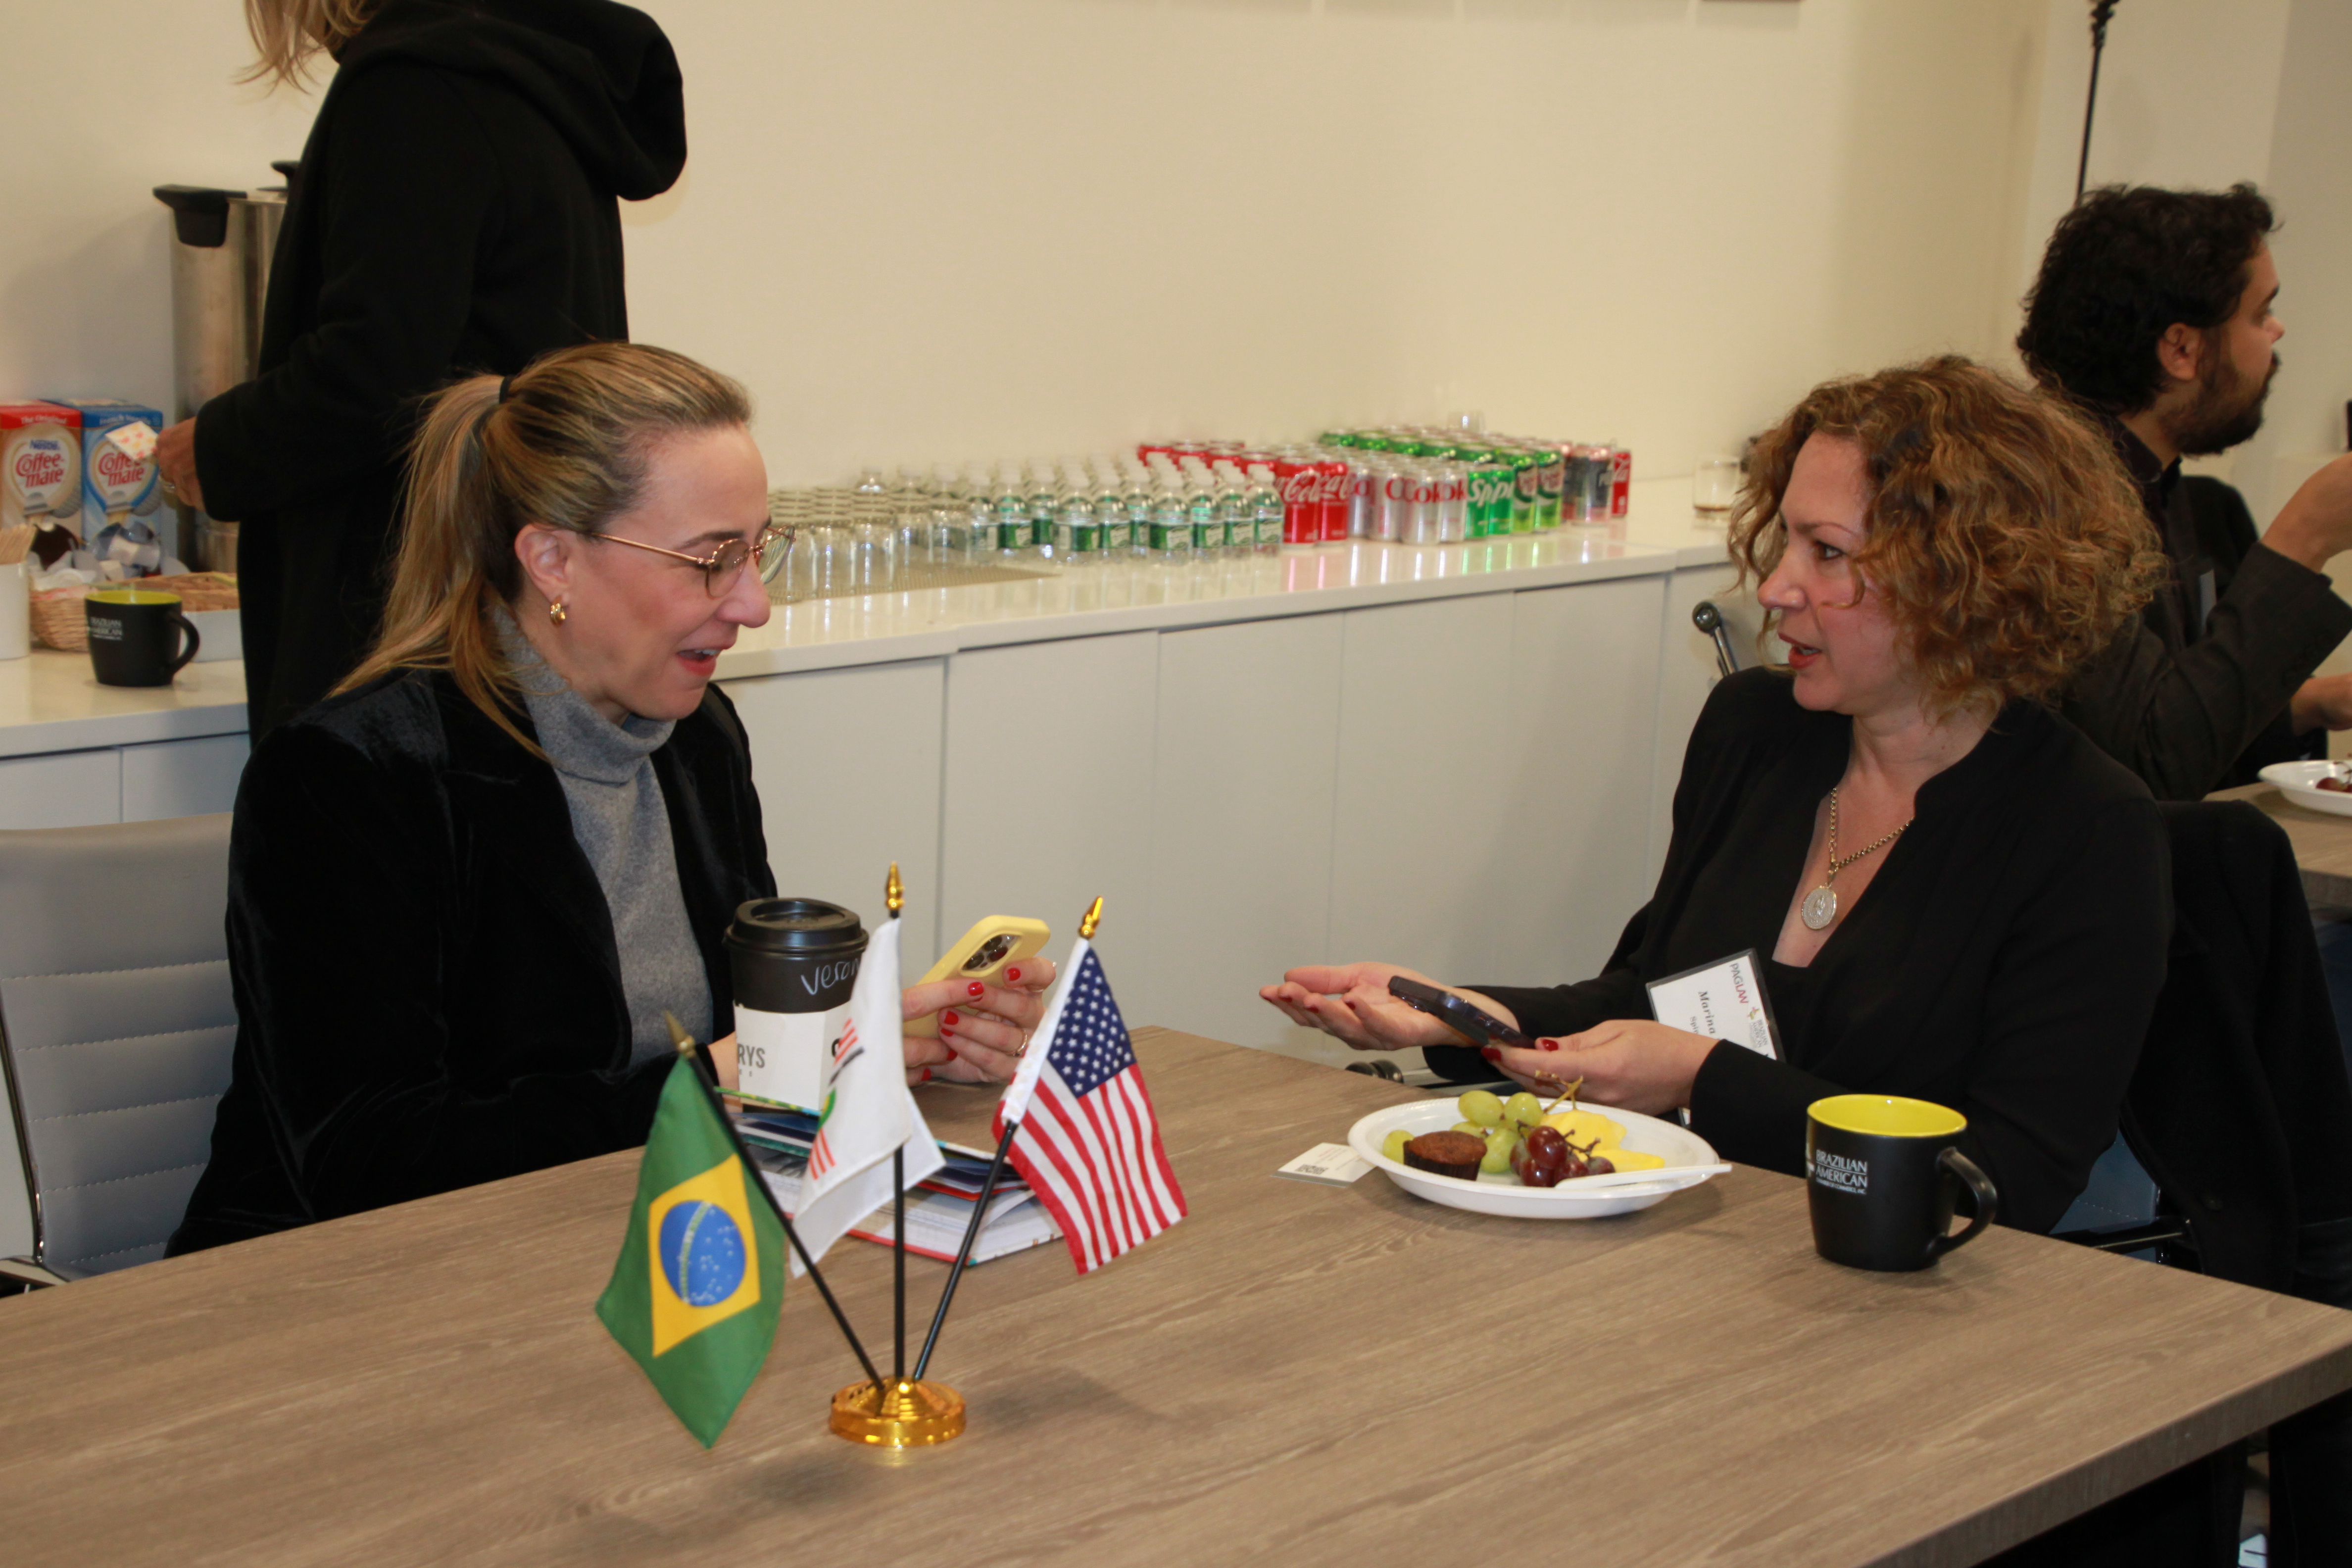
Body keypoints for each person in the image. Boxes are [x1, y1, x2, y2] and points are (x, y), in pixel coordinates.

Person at [169, 344, 1053, 1254]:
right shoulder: (352, 773)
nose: (753, 604)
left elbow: (743, 1036)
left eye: (758, 551)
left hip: (631, 1233)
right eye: (712, 559)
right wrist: (715, 1085)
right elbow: (369, 1160)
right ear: (552, 559)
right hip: (351, 1278)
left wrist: (891, 1047)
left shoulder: (696, 736)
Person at [1264, 358, 2171, 1234]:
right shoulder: (1756, 730)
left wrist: (1705, 1078)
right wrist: (1461, 1014)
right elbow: (1647, 996)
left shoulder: (2087, 831)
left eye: (1827, 552)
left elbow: (2007, 1180)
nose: (1774, 588)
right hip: (1695, 1243)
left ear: (1964, 582)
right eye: (1786, 541)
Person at [153, 0, 688, 737]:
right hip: (509, 593)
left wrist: (219, 447)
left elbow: (374, 377)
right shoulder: (525, 77)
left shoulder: (413, 88)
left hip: (405, 606)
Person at [2016, 182, 2352, 801]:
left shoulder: (2152, 487)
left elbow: (2176, 715)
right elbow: (2148, 769)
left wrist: (2313, 705)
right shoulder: (2041, 503)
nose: (2276, 331)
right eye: (2259, 314)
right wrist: (2305, 537)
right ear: (2181, 349)